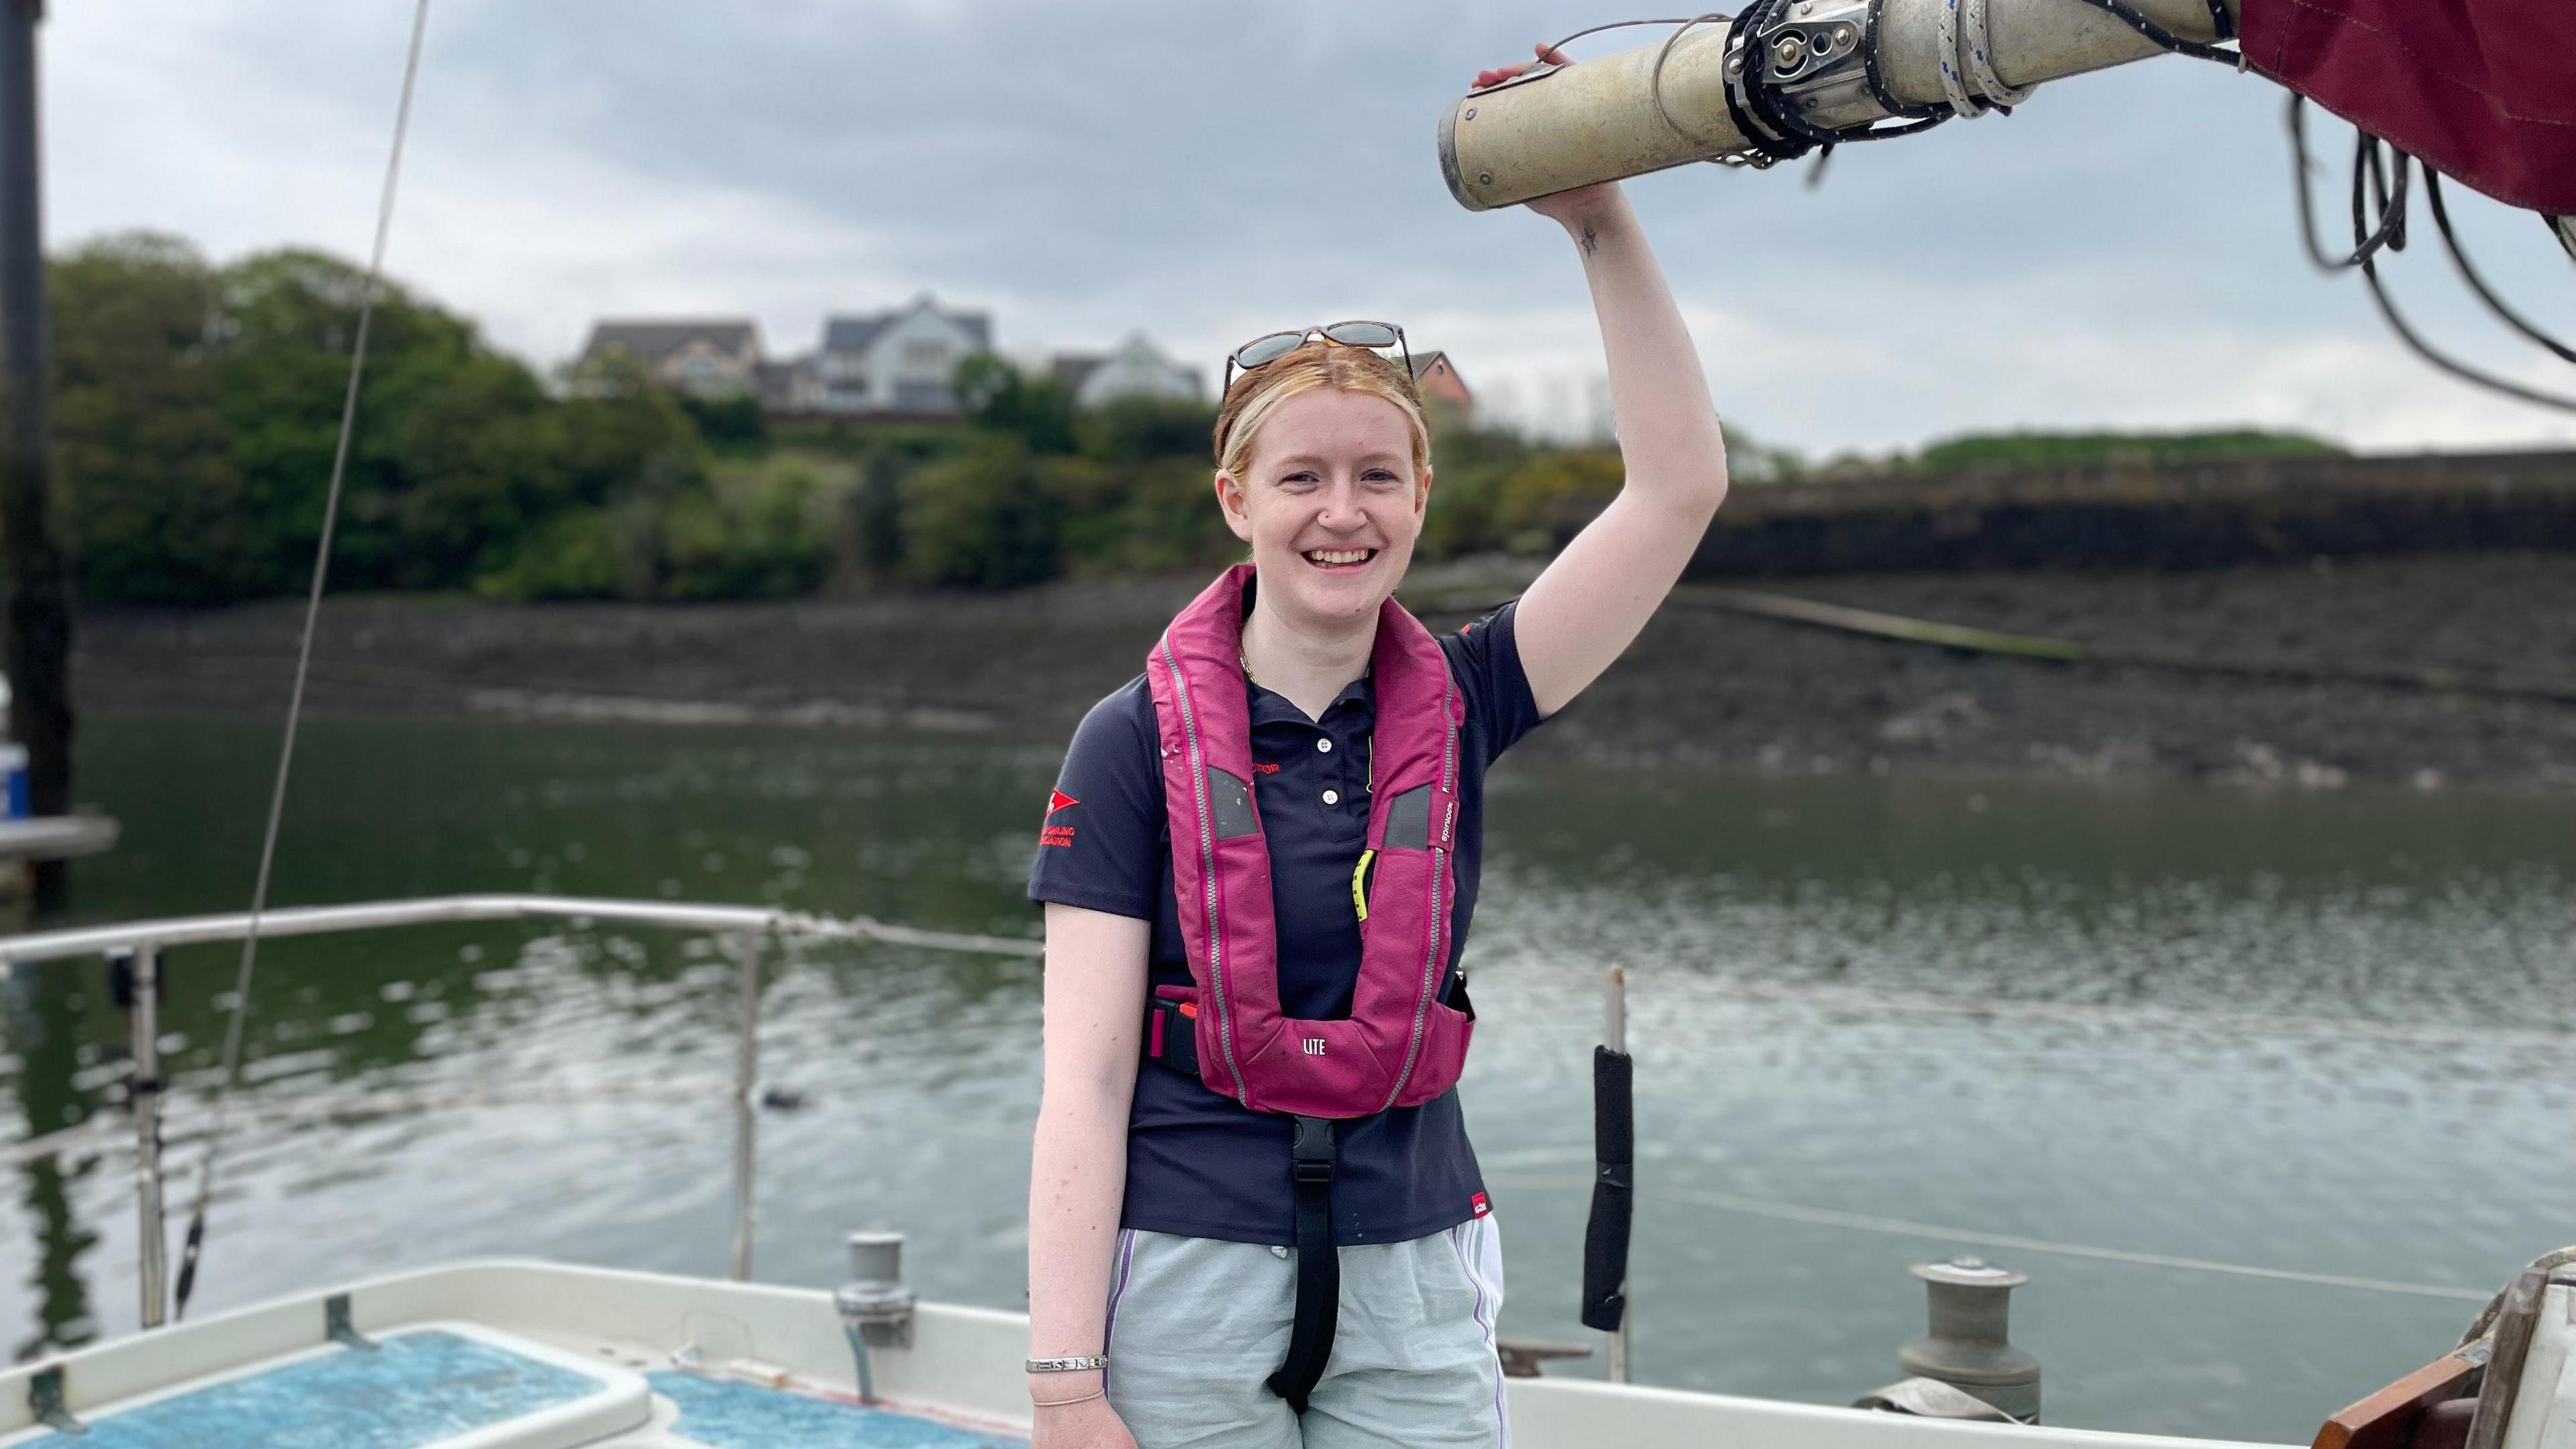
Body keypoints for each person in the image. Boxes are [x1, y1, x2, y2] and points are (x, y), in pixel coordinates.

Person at [1023, 45, 1729, 1449]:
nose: (1339, 513)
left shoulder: (1471, 696)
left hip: (1414, 1280)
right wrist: (1065, 1382)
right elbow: (1086, 1082)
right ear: (1236, 498)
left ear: (1419, 498)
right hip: (1184, 1280)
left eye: (1376, 476)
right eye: (1301, 477)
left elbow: (1678, 487)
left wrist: (1598, 217)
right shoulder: (1123, 745)